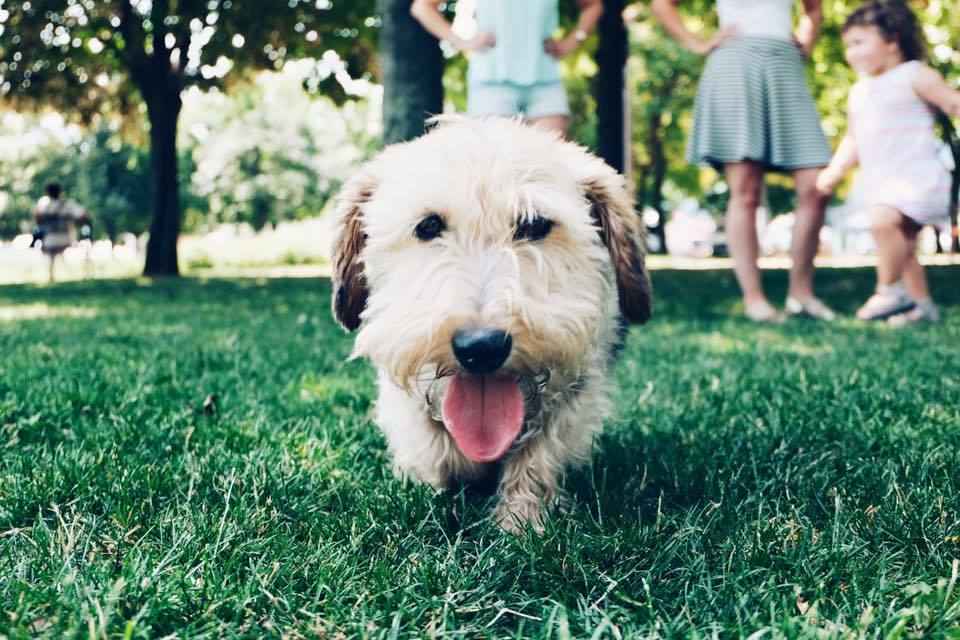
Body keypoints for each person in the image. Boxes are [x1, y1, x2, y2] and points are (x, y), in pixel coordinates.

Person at [648, 0, 836, 322]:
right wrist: (698, 44)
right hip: (736, 62)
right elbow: (662, 4)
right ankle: (755, 300)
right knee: (746, 191)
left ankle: (801, 294)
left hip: (785, 63)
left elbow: (814, 9)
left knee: (816, 188)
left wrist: (806, 42)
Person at [816, 1, 960, 325]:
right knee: (903, 247)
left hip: (916, 175)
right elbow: (853, 138)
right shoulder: (859, 92)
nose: (851, 53)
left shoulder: (914, 74)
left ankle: (889, 290)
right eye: (847, 46)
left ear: (892, 40)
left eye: (859, 42)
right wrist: (835, 170)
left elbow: (952, 103)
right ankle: (923, 307)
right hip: (881, 179)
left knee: (882, 221)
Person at [410, 0, 603, 136]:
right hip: (492, 81)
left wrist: (572, 41)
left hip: (544, 78)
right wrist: (461, 42)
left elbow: (593, 5)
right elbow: (422, 7)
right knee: (496, 161)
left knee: (553, 161)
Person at [32, 182, 91, 282]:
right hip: (67, 238)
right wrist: (78, 223)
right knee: (69, 252)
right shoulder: (68, 204)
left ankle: (51, 276)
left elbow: (37, 217)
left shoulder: (44, 203)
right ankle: (73, 274)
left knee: (51, 256)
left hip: (49, 240)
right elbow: (83, 215)